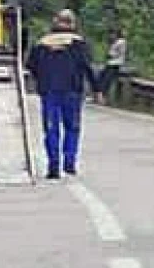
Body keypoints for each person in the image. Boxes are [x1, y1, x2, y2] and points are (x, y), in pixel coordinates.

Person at [25, 9, 100, 179]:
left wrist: (41, 81)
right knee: (72, 128)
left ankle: (53, 165)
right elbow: (88, 67)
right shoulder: (79, 43)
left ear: (55, 22)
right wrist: (97, 89)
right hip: (72, 91)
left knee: (51, 129)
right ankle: (69, 163)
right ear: (73, 24)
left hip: (49, 91)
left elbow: (31, 66)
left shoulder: (41, 43)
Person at [98, 29, 127, 97]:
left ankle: (102, 94)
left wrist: (111, 55)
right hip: (110, 63)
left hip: (116, 64)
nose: (111, 36)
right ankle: (99, 93)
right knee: (101, 75)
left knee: (107, 79)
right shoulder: (114, 42)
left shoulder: (121, 42)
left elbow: (119, 53)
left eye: (112, 34)